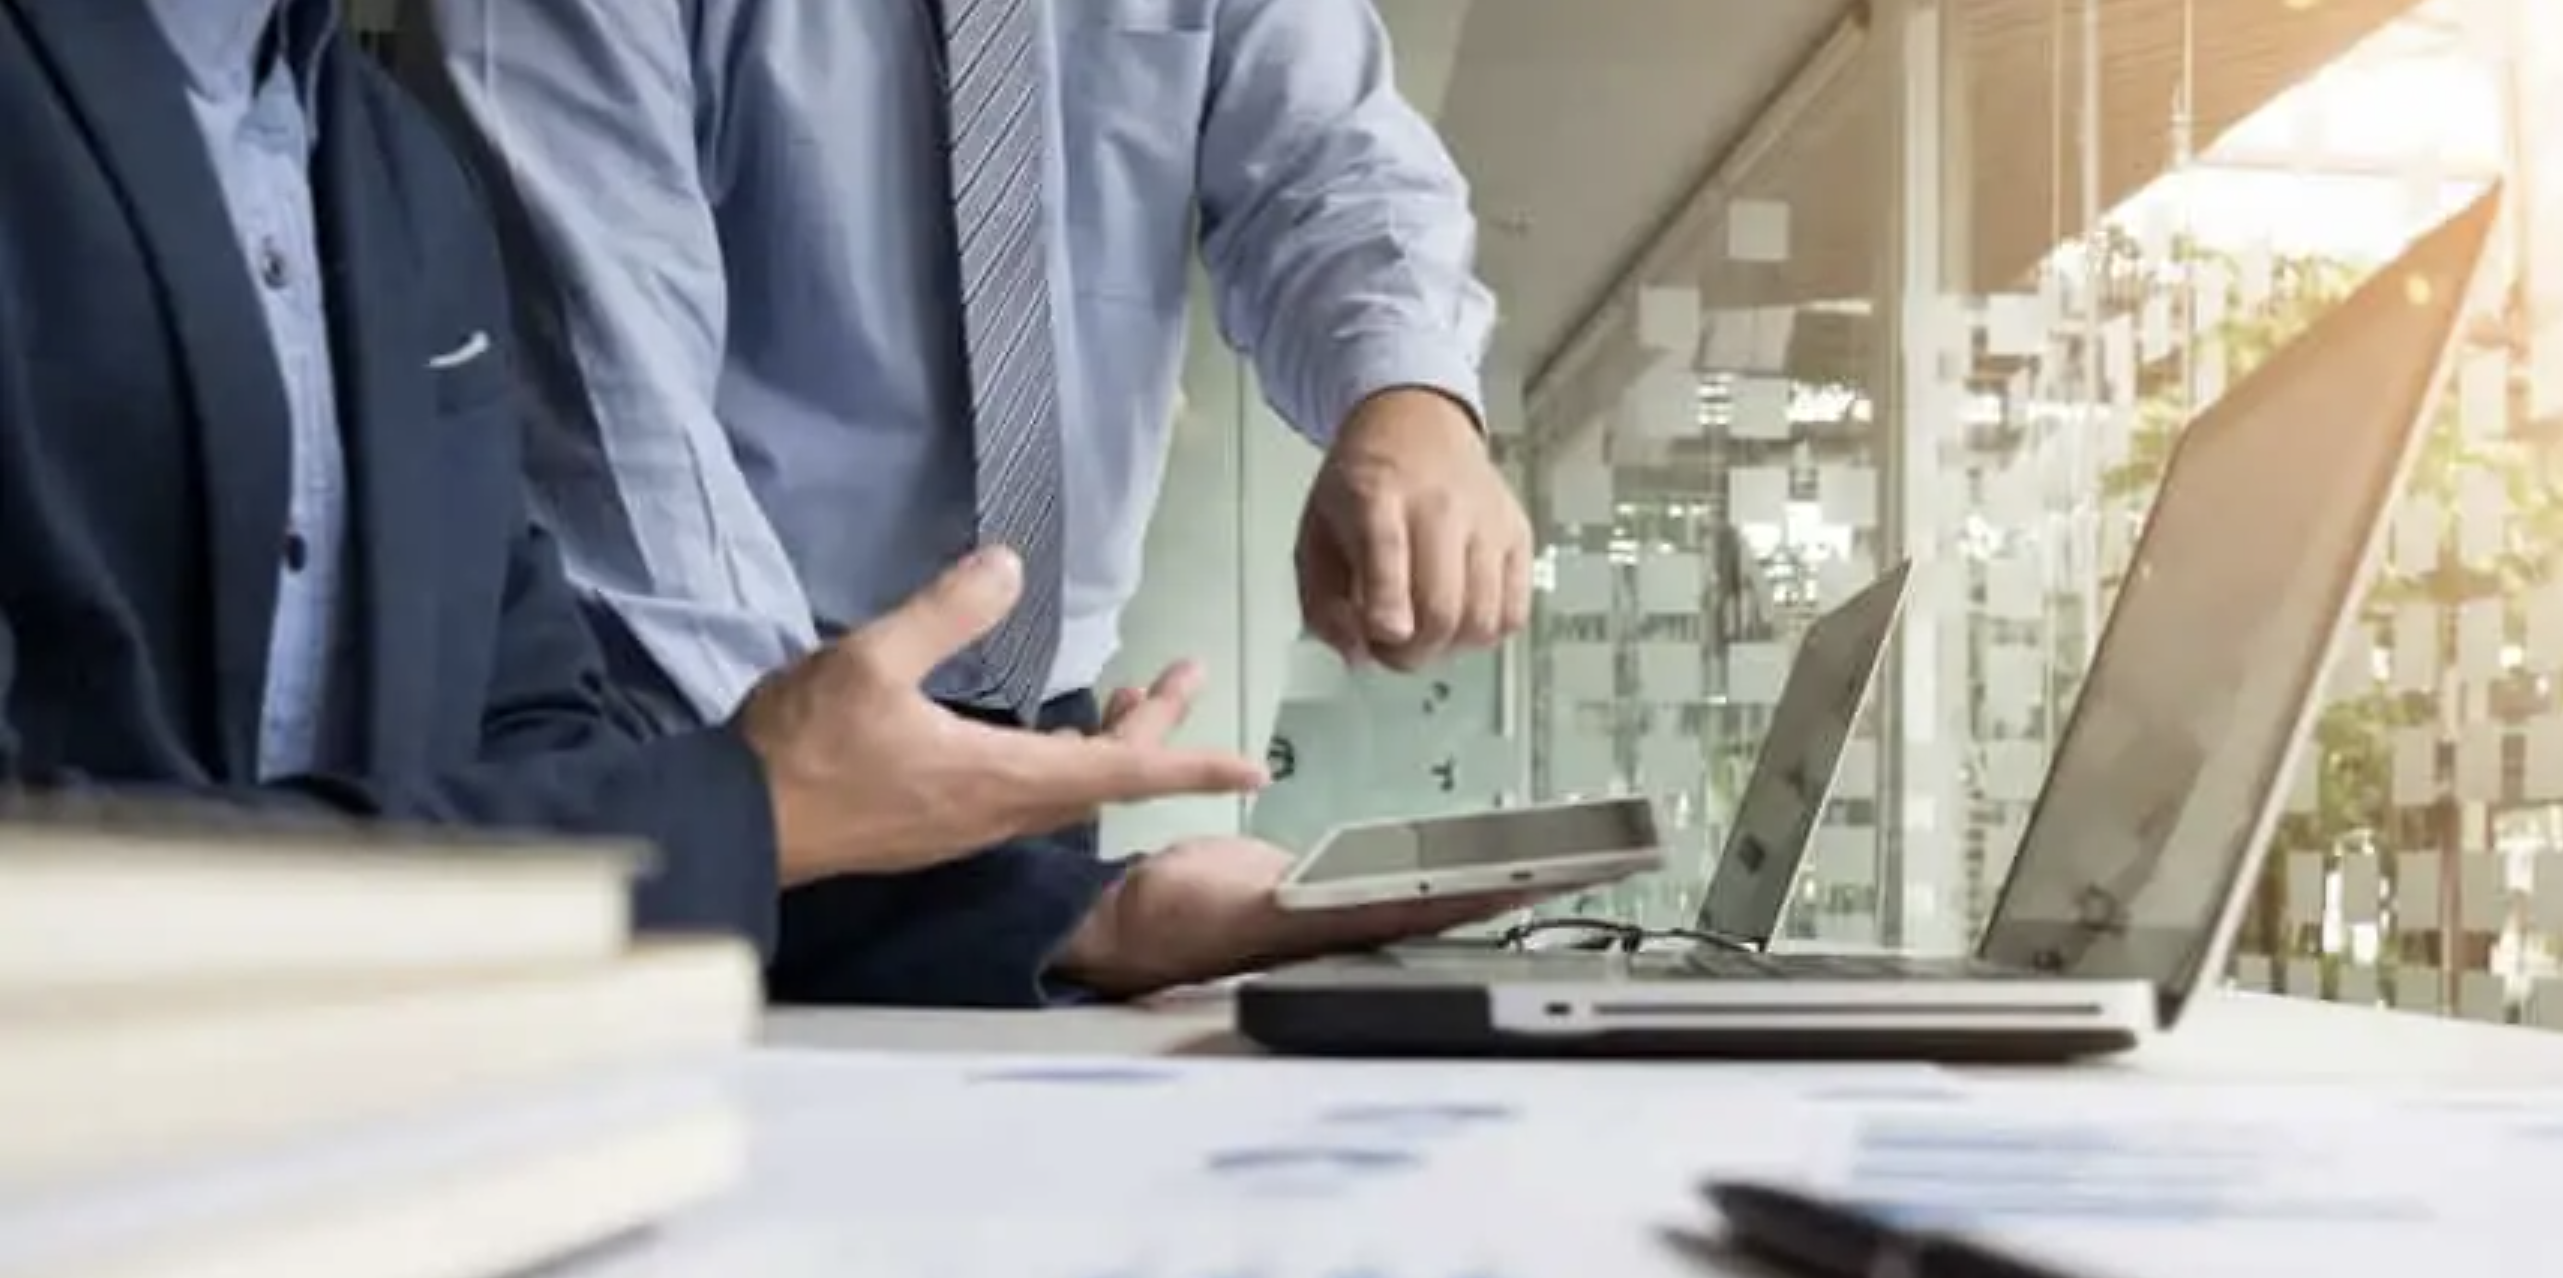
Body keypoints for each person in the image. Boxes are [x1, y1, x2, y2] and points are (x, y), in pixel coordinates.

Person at [0, 0, 1523, 1007]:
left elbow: (1330, 158)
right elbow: (617, 426)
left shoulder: (359, 159)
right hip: (707, 695)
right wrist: (789, 800)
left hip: (887, 793)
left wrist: (1074, 912)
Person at [394, 0, 1533, 856]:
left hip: (1040, 748)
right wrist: (796, 797)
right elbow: (605, 402)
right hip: (696, 732)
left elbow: (1327, 160)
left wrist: (1409, 400)